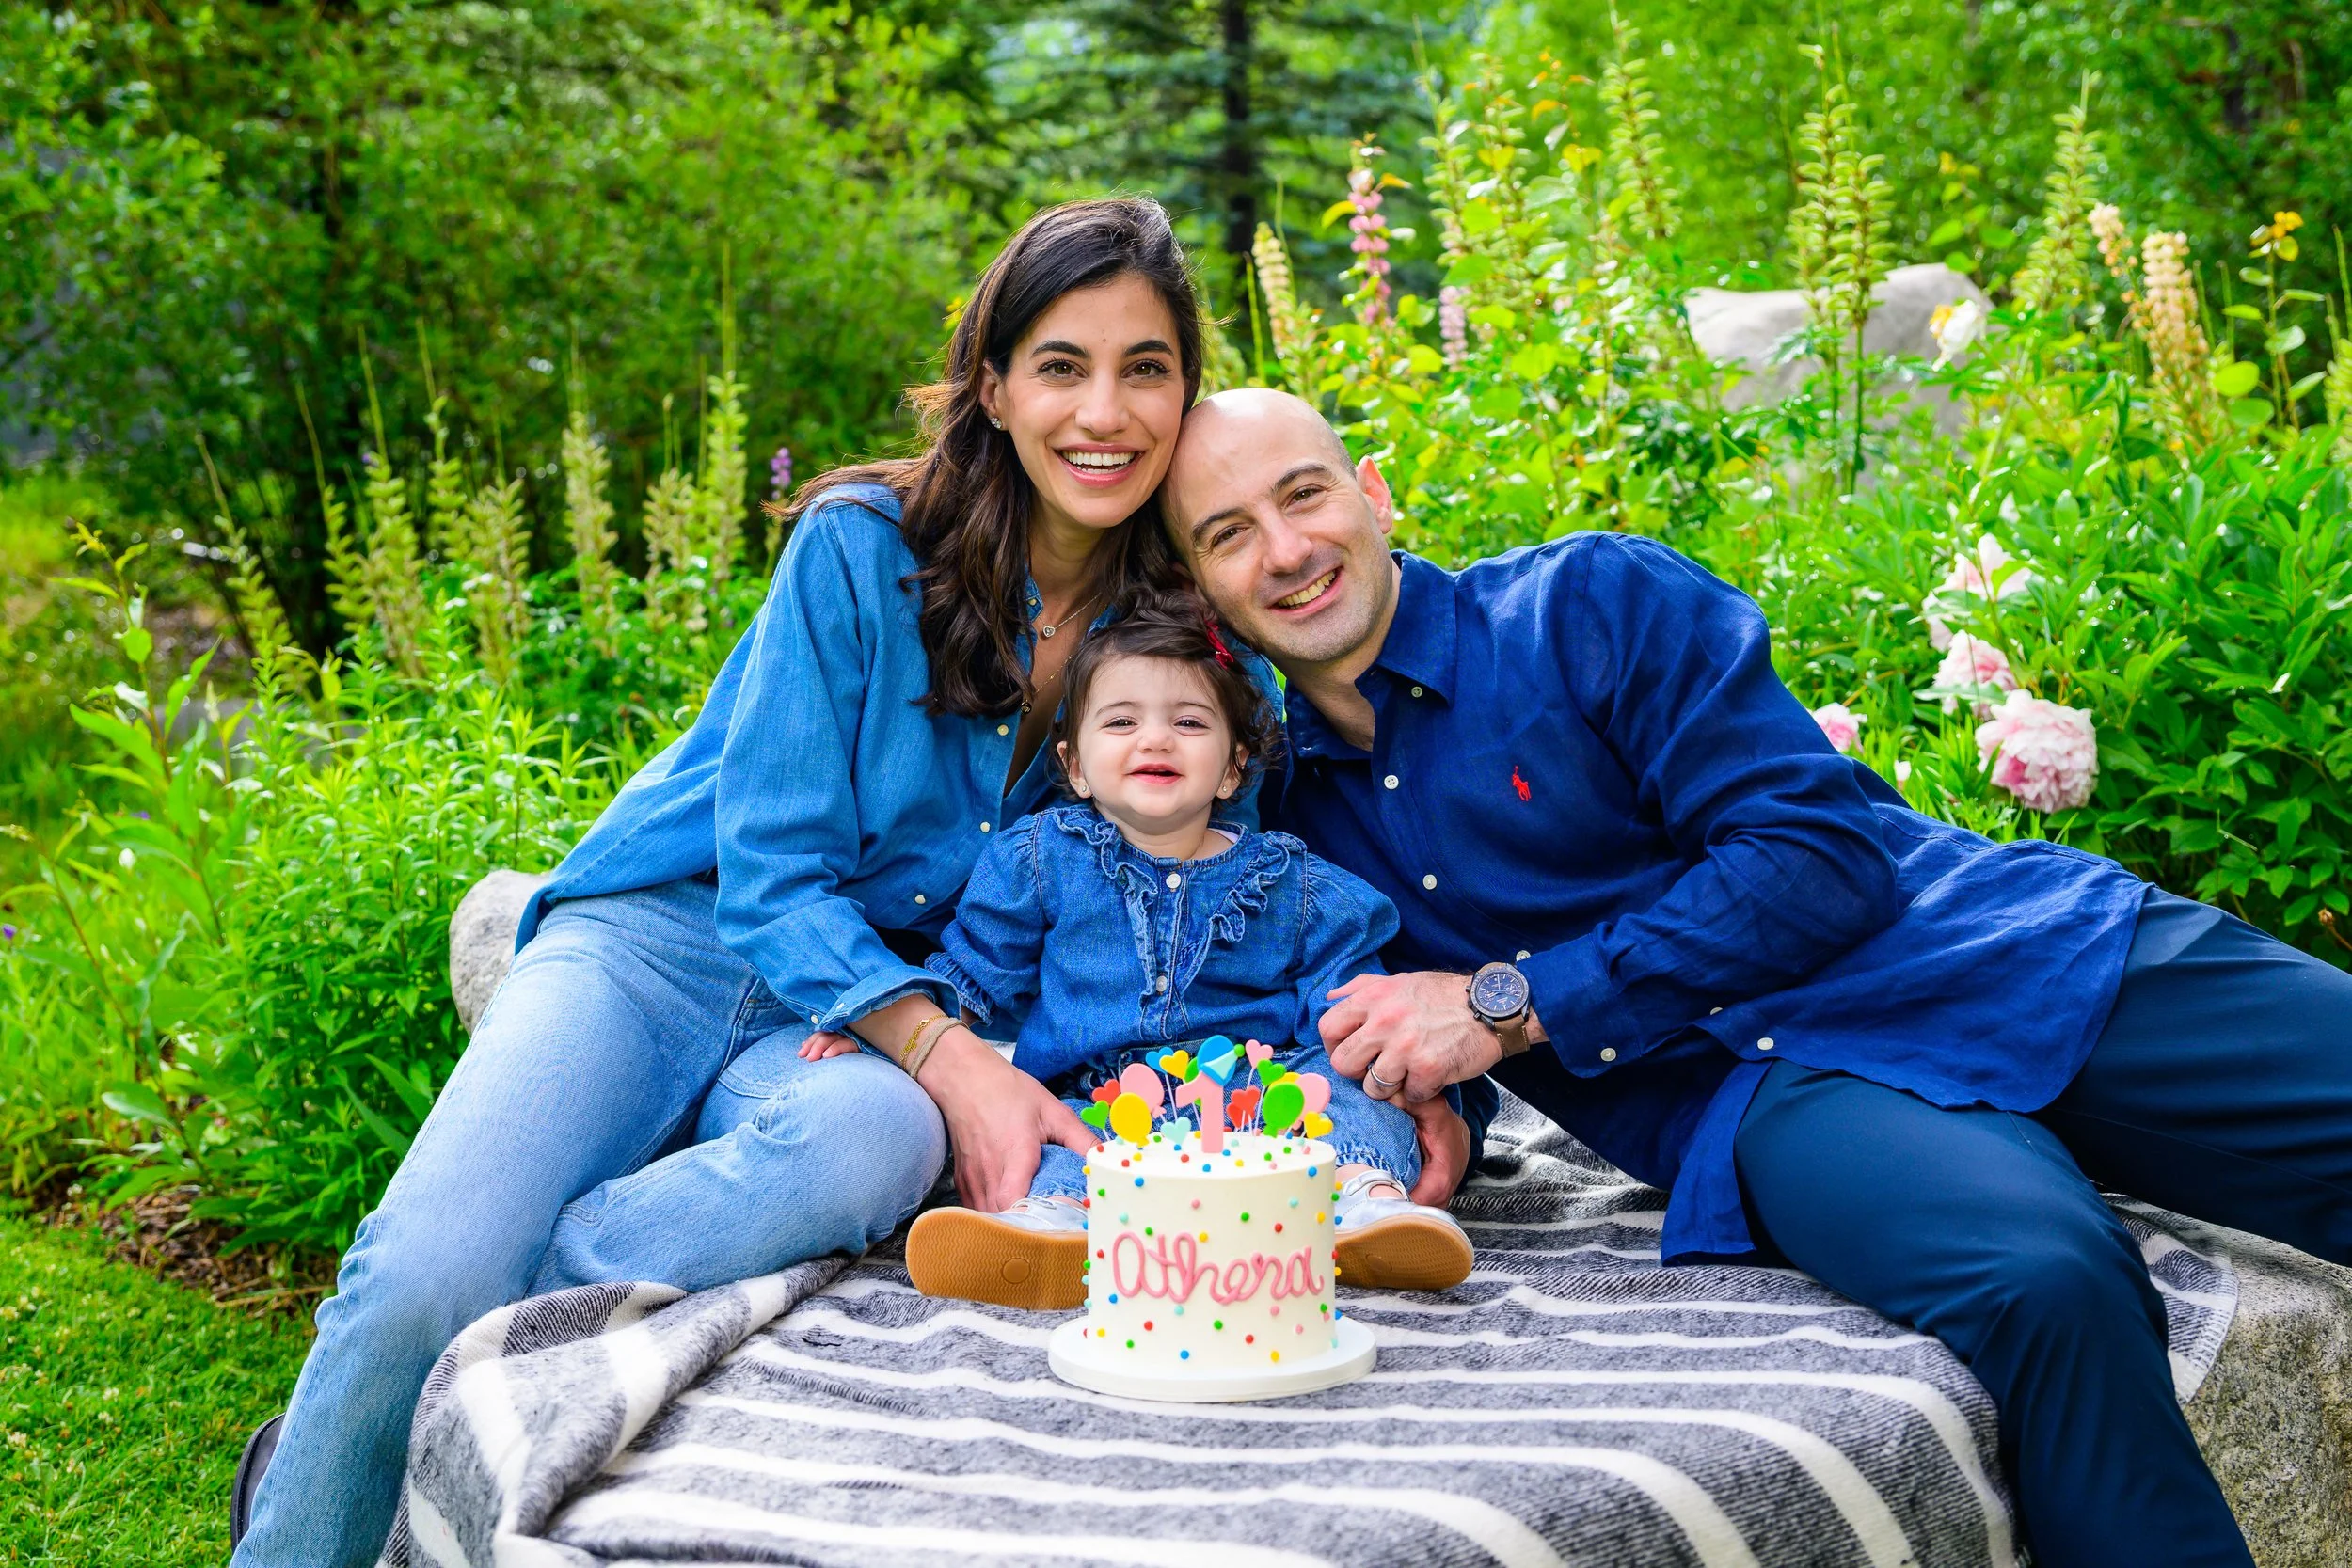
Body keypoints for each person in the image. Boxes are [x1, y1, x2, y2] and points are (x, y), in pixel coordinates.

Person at [1159, 387, 2352, 1568]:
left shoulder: (1588, 602)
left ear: (1369, 491)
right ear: (1204, 594)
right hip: (1768, 1089)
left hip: (1996, 947)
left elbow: (1815, 859)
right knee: (2045, 1280)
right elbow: (1394, 1030)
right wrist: (1429, 1106)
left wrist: (1505, 1006)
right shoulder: (1287, 820)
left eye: (1302, 493)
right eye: (1227, 534)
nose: (1285, 549)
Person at [230, 197, 1227, 1567]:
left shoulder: (1168, 630)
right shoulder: (861, 545)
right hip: (665, 944)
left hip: (846, 1014)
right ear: (993, 385)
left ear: (1186, 389)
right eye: (1062, 363)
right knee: (415, 1276)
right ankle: (365, 1400)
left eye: (1146, 367)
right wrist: (949, 1050)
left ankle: (397, 1386)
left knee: (874, 1142)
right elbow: (767, 878)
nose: (1103, 409)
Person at [836, 612, 1472, 1308]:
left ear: (1234, 766)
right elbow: (973, 969)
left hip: (1267, 1110)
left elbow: (1354, 1004)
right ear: (1075, 764)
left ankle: (1362, 1203)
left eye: (1190, 723)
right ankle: (1055, 1227)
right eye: (1120, 722)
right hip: (1105, 1110)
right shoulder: (1040, 859)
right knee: (1050, 1133)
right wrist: (883, 1024)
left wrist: (1397, 1082)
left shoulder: (1292, 883)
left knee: (1351, 1090)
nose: (1156, 738)